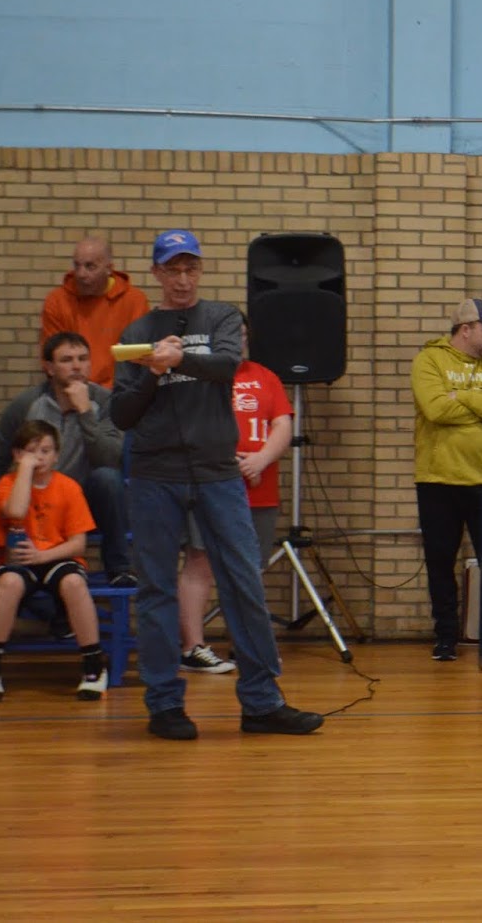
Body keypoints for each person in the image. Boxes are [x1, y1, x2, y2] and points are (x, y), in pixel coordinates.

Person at [110, 229, 323, 740]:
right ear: (157, 273)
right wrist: (152, 372)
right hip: (154, 475)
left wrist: (178, 359)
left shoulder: (222, 318)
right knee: (158, 590)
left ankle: (262, 702)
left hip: (217, 472)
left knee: (243, 581)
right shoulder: (137, 331)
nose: (182, 279)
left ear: (199, 271)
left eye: (191, 269)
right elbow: (120, 414)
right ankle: (164, 705)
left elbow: (228, 365)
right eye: (172, 269)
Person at [176, 314, 294, 674]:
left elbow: (282, 424)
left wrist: (260, 459)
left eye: (244, 335)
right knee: (200, 562)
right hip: (209, 484)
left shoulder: (265, 376)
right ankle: (192, 647)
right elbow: (187, 429)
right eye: (233, 336)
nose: (239, 342)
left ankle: (248, 647)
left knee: (249, 571)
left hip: (259, 489)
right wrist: (225, 461)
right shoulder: (200, 376)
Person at [0, 332, 132, 587]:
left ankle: (119, 567)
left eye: (83, 359)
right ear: (49, 368)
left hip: (81, 499)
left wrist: (85, 412)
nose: (76, 366)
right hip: (35, 498)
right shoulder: (27, 404)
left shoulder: (104, 401)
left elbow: (109, 458)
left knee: (108, 478)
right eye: (67, 360)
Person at [413, 297, 482, 661]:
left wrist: (461, 396)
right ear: (466, 329)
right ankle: (445, 637)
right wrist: (478, 407)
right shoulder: (429, 359)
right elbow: (435, 409)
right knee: (441, 562)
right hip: (436, 479)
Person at [0, 421, 108, 702]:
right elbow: (15, 511)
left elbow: (78, 544)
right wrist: (25, 469)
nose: (39, 457)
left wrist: (42, 555)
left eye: (46, 450)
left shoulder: (69, 487)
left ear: (56, 455)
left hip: (55, 556)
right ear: (17, 454)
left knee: (75, 582)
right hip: (18, 558)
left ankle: (93, 664)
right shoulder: (7, 484)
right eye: (31, 451)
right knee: (9, 582)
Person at [40, 237, 150, 388]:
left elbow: (139, 360)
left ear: (109, 268)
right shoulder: (57, 301)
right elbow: (52, 360)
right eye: (77, 266)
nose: (81, 274)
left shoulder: (134, 301)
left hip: (120, 394)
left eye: (90, 266)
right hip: (70, 391)